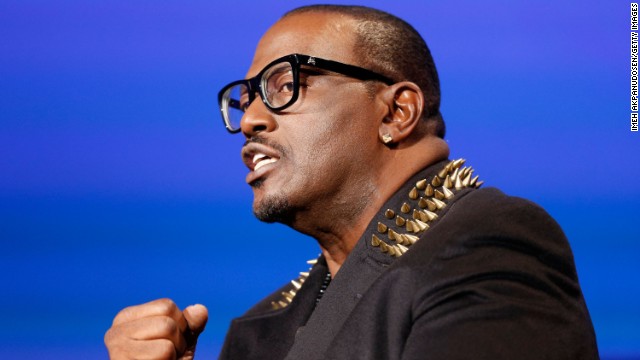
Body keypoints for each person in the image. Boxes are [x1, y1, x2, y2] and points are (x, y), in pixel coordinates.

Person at [104, 5, 599, 360]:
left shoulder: (489, 245)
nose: (251, 118)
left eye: (284, 84)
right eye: (245, 99)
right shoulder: (259, 329)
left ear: (397, 111)